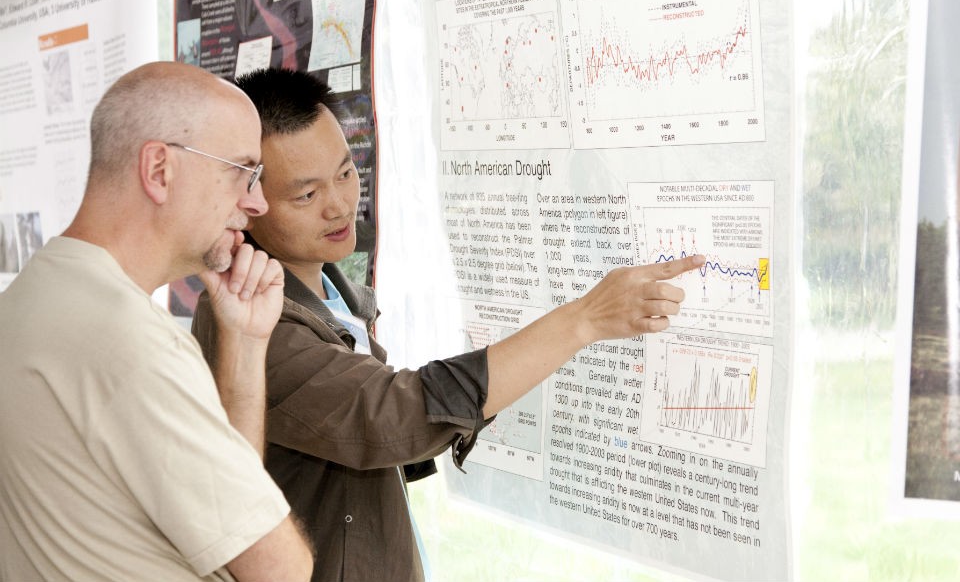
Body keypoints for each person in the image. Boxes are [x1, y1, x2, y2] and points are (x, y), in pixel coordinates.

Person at [191, 67, 704, 582]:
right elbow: (393, 415)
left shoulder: (327, 288)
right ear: (248, 202)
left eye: (346, 173)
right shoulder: (251, 324)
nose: (340, 204)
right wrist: (585, 319)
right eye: (306, 196)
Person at [0, 62, 313, 582]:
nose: (255, 203)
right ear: (159, 171)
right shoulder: (132, 344)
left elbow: (226, 522)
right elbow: (280, 571)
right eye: (243, 171)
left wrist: (245, 341)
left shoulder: (33, 295)